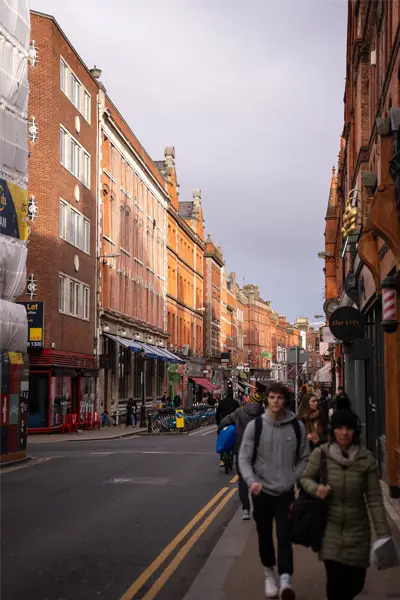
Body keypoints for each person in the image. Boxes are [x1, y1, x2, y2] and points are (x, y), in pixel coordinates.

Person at [300, 409, 391, 600]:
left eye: (348, 428)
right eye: (339, 428)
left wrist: (383, 535)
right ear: (333, 431)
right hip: (330, 530)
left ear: (355, 431)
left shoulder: (366, 460)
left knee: (356, 584)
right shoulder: (322, 454)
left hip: (358, 532)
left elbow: (375, 500)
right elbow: (305, 478)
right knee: (335, 584)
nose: (344, 433)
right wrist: (317, 489)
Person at [239, 382, 309, 599]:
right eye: (272, 398)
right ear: (267, 400)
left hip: (285, 492)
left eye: (279, 398)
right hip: (261, 492)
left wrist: (293, 478)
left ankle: (286, 578)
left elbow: (305, 457)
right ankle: (269, 573)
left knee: (284, 535)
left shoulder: (297, 427)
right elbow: (243, 457)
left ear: (285, 400)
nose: (276, 401)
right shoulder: (256, 427)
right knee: (265, 535)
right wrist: (251, 481)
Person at [218, 390, 264, 520]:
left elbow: (223, 422)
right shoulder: (264, 414)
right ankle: (257, 507)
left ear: (249, 401)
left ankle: (246, 509)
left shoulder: (239, 412)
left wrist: (222, 431)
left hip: (241, 450)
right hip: (258, 451)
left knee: (243, 481)